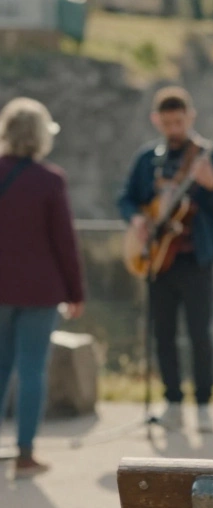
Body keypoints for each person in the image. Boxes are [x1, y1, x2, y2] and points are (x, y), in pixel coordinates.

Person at [117, 86, 213, 434]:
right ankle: (171, 402)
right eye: (166, 122)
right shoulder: (146, 158)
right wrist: (137, 219)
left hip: (196, 260)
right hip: (157, 261)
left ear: (190, 117)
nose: (173, 128)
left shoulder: (210, 157)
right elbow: (125, 198)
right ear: (157, 120)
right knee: (162, 334)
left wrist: (212, 186)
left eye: (178, 121)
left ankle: (203, 406)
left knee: (200, 334)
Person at [0, 97, 85, 477]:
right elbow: (64, 242)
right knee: (32, 370)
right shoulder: (50, 180)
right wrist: (76, 292)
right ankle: (25, 454)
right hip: (40, 291)